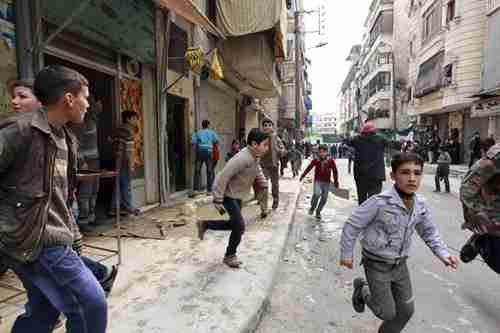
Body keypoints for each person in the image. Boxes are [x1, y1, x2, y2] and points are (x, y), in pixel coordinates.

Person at [0, 66, 109, 332]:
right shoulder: (20, 129)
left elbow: (61, 197)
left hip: (54, 238)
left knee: (43, 312)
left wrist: (75, 238)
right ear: (68, 99)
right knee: (90, 304)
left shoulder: (66, 139)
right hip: (37, 241)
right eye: (86, 96)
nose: (89, 104)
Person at [340, 152, 459, 333]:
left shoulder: (420, 204)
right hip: (376, 265)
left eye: (417, 173)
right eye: (405, 172)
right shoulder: (378, 202)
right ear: (393, 176)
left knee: (405, 311)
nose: (412, 179)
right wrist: (346, 255)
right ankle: (362, 289)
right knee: (387, 313)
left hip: (400, 266)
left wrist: (444, 254)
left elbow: (429, 232)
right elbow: (352, 225)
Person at [196, 128, 269, 268]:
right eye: (264, 144)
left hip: (237, 196)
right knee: (240, 226)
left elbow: (256, 169)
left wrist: (262, 181)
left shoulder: (255, 157)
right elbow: (224, 175)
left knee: (234, 225)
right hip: (227, 196)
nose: (266, 148)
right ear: (254, 144)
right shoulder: (242, 157)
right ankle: (230, 255)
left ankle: (205, 224)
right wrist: (217, 198)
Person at [459, 143, 500, 274]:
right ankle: (481, 240)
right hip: (494, 202)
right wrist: (472, 214)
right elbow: (467, 189)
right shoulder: (495, 160)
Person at [72, 95, 102, 227]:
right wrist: (81, 161)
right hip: (86, 162)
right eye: (93, 105)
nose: (95, 107)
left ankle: (91, 217)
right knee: (85, 192)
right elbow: (75, 144)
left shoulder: (92, 120)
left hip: (94, 160)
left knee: (94, 190)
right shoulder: (80, 123)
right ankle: (83, 220)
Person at [109, 110, 140, 216]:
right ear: (128, 119)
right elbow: (129, 151)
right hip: (124, 160)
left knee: (117, 183)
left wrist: (116, 149)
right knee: (126, 184)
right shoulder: (128, 130)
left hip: (116, 158)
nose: (136, 120)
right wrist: (131, 164)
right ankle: (128, 207)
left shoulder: (118, 129)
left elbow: (109, 140)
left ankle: (114, 208)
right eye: (134, 118)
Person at [348, 122, 387, 205]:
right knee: (374, 201)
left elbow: (348, 141)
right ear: (374, 131)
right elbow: (391, 144)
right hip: (376, 175)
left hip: (361, 175)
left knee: (362, 200)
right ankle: (372, 216)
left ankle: (363, 216)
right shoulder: (381, 139)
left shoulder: (357, 139)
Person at [300, 145, 339, 220]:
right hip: (317, 181)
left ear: (327, 152)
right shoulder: (316, 160)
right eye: (320, 152)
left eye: (323, 152)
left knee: (324, 198)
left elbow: (335, 171)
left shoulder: (331, 161)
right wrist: (303, 175)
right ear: (318, 152)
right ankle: (312, 207)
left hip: (326, 182)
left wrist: (336, 181)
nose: (322, 154)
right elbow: (309, 168)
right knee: (317, 194)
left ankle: (318, 211)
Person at [260, 118, 285, 210]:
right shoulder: (260, 137)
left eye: (269, 125)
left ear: (272, 127)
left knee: (275, 185)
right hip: (263, 165)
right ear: (262, 127)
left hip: (274, 165)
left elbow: (282, 149)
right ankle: (263, 207)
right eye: (265, 125)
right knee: (263, 185)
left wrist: (280, 151)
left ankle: (275, 199)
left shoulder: (276, 138)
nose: (267, 127)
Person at [192, 120, 219, 193]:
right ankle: (209, 190)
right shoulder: (212, 132)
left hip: (200, 152)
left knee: (197, 170)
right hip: (209, 152)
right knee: (209, 171)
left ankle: (196, 190)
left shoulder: (198, 133)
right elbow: (216, 141)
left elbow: (193, 142)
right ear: (208, 125)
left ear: (202, 125)